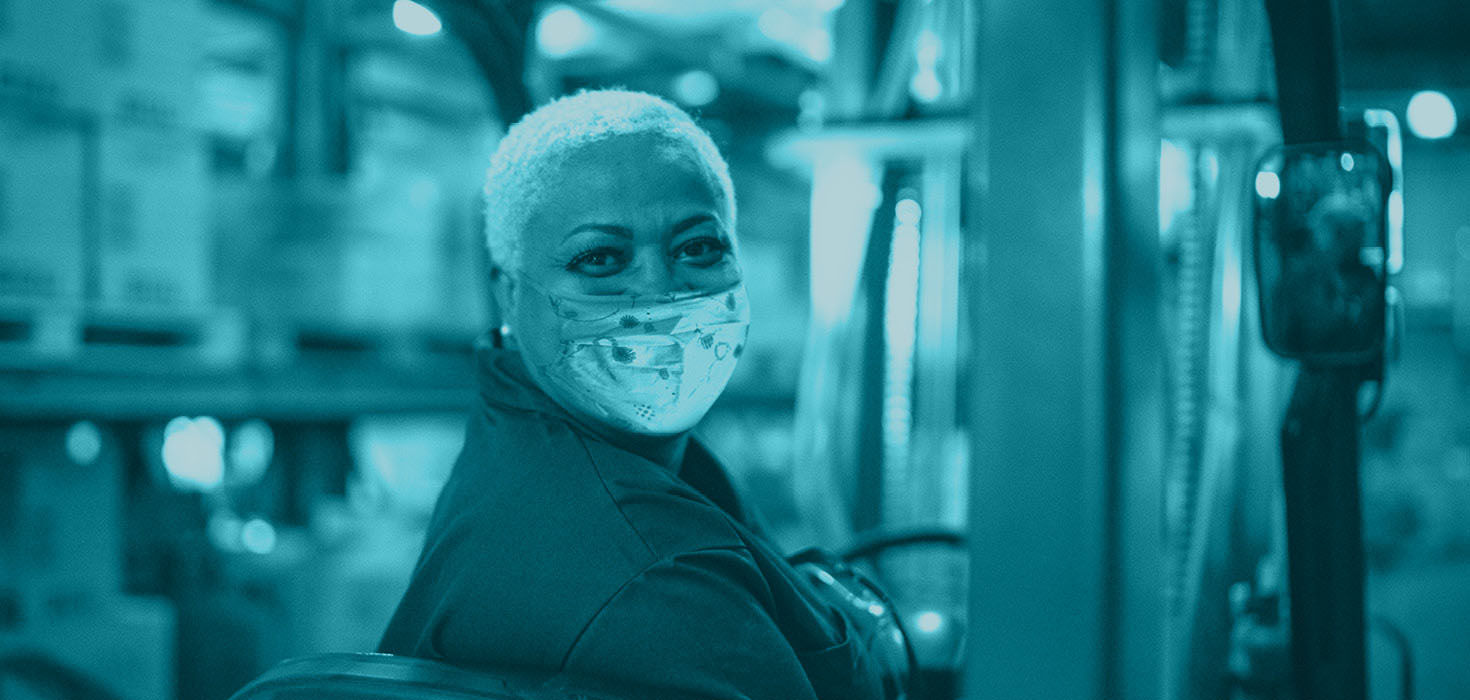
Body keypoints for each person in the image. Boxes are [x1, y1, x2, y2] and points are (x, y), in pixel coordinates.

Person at [378, 89, 892, 700]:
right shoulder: (652, 578)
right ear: (507, 294)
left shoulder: (555, 441)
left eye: (698, 246)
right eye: (601, 258)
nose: (660, 291)